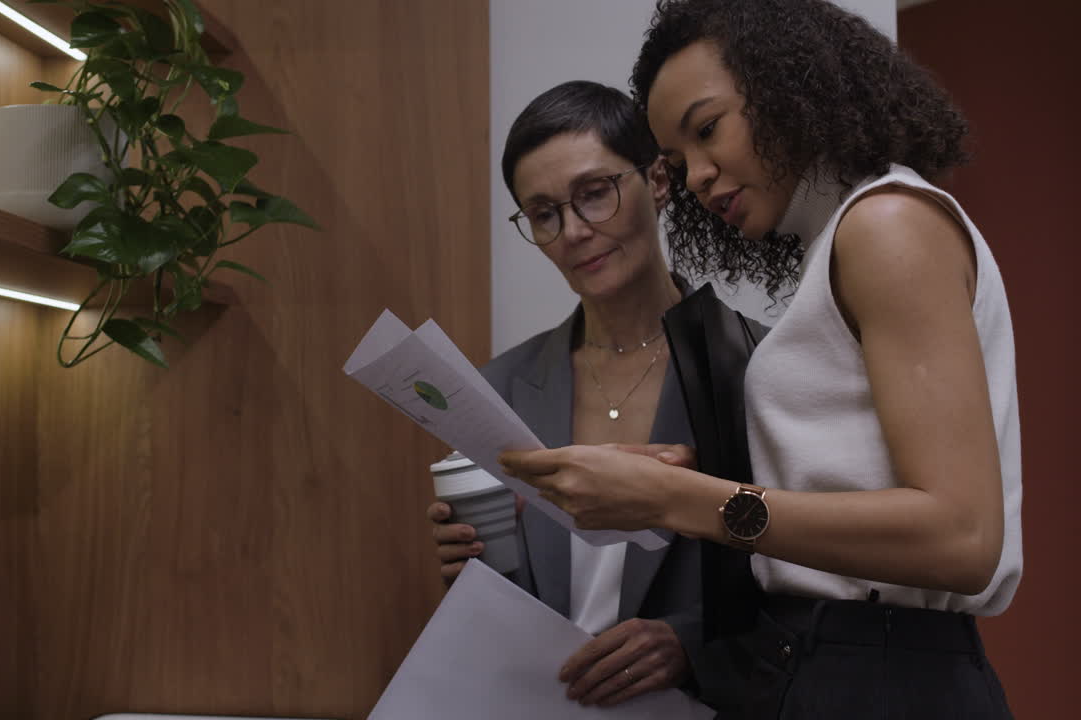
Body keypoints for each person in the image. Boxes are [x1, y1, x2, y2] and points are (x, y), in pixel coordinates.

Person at [500, 1, 1021, 718]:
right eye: (680, 162)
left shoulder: (886, 225)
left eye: (709, 129)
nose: (700, 177)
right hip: (831, 663)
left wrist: (679, 501)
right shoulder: (845, 236)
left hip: (881, 673)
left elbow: (962, 538)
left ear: (787, 85)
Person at [427, 80, 709, 709]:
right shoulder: (498, 387)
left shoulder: (750, 368)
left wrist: (693, 642)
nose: (574, 231)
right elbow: (502, 605)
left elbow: (811, 582)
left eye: (594, 195)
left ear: (659, 181)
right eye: (545, 213)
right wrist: (468, 566)